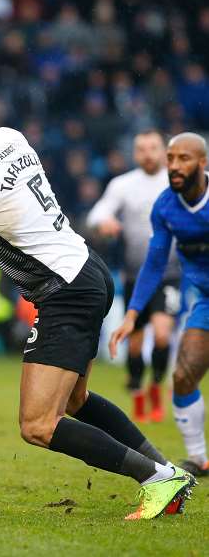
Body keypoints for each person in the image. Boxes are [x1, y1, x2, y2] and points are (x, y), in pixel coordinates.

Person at [0, 73, 195, 520]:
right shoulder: (10, 137)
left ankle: (157, 479)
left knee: (37, 425)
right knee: (75, 401)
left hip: (64, 291)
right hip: (89, 270)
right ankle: (167, 470)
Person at [110, 132, 209, 478]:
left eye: (184, 159)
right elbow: (153, 263)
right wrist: (133, 314)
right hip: (206, 303)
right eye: (171, 159)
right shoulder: (166, 206)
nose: (175, 166)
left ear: (203, 163)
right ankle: (198, 457)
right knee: (183, 377)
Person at [87, 130, 180, 422]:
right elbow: (96, 214)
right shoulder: (123, 185)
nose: (148, 154)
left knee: (163, 335)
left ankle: (156, 388)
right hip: (135, 277)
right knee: (136, 343)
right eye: (141, 149)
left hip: (169, 274)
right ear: (135, 153)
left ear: (164, 151)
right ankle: (138, 390)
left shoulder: (176, 183)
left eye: (153, 148)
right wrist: (105, 221)